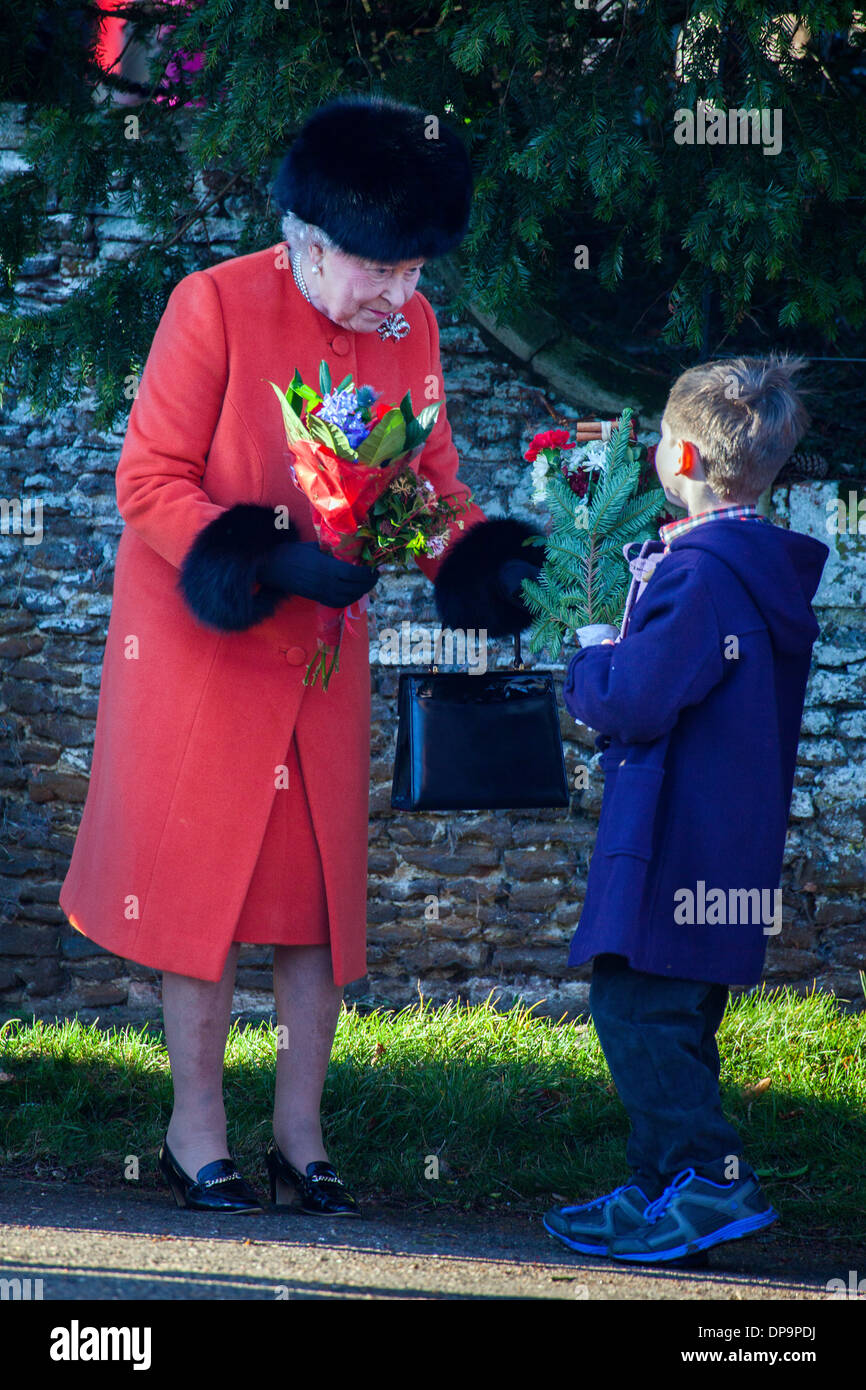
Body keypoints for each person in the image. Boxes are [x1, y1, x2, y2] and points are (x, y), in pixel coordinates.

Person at [58, 94, 540, 1215]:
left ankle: (301, 1137)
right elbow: (148, 483)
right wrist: (263, 556)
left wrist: (470, 562)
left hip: (322, 658)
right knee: (207, 895)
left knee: (315, 900)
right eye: (380, 270)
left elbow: (428, 489)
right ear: (306, 242)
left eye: (416, 270)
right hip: (204, 650)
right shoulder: (211, 302)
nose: (400, 295)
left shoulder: (408, 331)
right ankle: (195, 1132)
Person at [543, 356, 829, 1262]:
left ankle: (708, 1177)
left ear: (680, 455)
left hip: (673, 842)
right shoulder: (755, 570)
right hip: (728, 849)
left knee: (635, 1014)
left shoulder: (698, 574)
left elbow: (634, 699)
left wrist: (589, 655)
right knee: (677, 1021)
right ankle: (657, 1190)